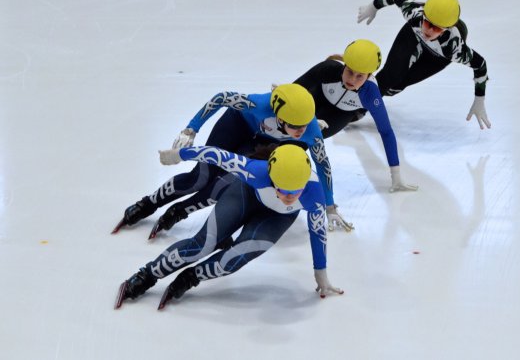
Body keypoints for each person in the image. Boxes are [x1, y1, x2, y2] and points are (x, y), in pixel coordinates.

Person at [114, 144, 343, 310]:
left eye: (296, 191)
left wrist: (320, 275)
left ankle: (190, 277)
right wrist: (177, 155)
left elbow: (318, 233)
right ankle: (146, 275)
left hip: (276, 219)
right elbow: (214, 155)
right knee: (202, 245)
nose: (289, 197)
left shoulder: (315, 195)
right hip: (244, 195)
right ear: (272, 178)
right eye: (283, 189)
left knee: (234, 259)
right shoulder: (255, 170)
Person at [112, 83, 350, 237]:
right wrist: (191, 129)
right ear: (278, 115)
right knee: (200, 177)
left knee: (223, 186)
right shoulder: (260, 103)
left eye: (304, 126)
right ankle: (148, 204)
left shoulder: (310, 131)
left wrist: (329, 206)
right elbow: (221, 97)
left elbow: (323, 165)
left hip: (260, 144)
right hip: (236, 125)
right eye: (295, 126)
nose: (300, 132)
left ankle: (179, 211)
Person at [293, 39, 418, 193]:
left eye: (360, 76)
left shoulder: (371, 94)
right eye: (350, 72)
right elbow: (293, 91)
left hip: (341, 114)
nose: (352, 79)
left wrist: (396, 174)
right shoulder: (328, 69)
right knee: (288, 125)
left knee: (302, 140)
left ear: (369, 76)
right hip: (318, 97)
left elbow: (386, 132)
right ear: (344, 65)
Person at [357, 0, 491, 129]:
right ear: (423, 15)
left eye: (437, 29)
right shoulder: (415, 14)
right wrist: (373, 6)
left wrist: (479, 100)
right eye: (427, 23)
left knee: (395, 88)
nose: (429, 31)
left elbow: (480, 65)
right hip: (413, 35)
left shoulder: (453, 48)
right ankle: (357, 108)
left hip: (437, 56)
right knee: (389, 76)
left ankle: (368, 90)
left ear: (447, 30)